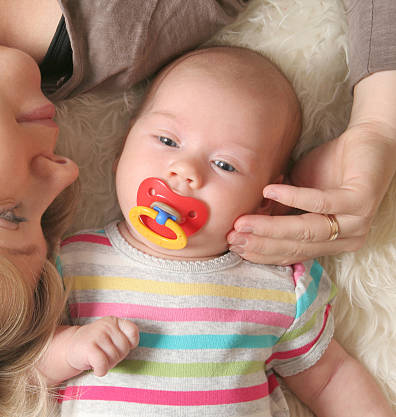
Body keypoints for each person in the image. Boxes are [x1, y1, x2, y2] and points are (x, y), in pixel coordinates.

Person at [0, 0, 394, 415]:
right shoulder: (120, 26)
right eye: (46, 217)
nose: (68, 170)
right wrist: (381, 123)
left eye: (6, 213)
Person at [55, 47, 395, 416]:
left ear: (264, 202)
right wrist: (68, 350)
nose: (185, 171)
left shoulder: (278, 284)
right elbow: (15, 370)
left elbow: (331, 379)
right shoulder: (73, 262)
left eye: (224, 165)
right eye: (167, 141)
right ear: (121, 152)